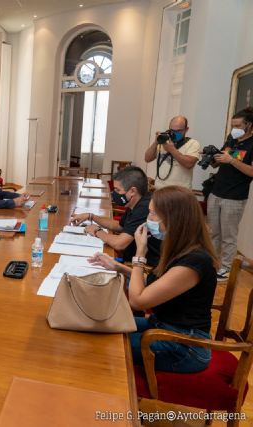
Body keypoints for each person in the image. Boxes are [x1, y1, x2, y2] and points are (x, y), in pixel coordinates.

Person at [92, 186, 218, 373]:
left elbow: (138, 301)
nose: (147, 220)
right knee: (98, 324)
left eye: (152, 214)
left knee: (106, 345)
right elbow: (155, 284)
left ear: (172, 219)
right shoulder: (181, 247)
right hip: (162, 326)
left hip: (184, 346)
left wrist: (139, 255)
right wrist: (118, 267)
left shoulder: (194, 261)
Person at [70, 166, 161, 266]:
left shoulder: (144, 207)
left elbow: (120, 244)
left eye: (118, 190)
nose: (115, 194)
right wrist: (91, 216)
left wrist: (97, 231)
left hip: (142, 265)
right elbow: (120, 226)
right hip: (131, 256)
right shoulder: (136, 201)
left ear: (132, 191)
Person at [208, 107, 253, 281]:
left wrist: (232, 160)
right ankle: (213, 263)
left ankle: (226, 268)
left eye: (238, 125)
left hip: (234, 197)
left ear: (249, 125)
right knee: (213, 232)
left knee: (228, 235)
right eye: (232, 125)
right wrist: (212, 157)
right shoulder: (231, 139)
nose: (233, 128)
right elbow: (220, 160)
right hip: (217, 191)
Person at [144, 116, 200, 189]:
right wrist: (156, 142)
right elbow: (147, 158)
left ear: (186, 129)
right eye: (172, 130)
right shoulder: (164, 141)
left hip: (179, 192)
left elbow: (189, 164)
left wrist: (172, 150)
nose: (174, 133)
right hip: (159, 190)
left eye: (179, 131)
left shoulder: (193, 144)